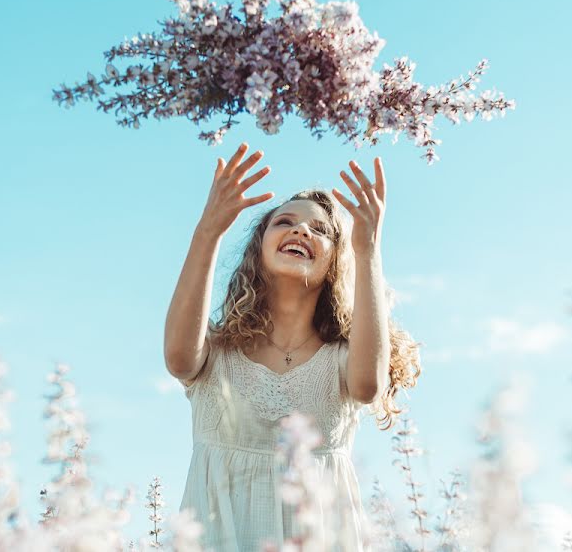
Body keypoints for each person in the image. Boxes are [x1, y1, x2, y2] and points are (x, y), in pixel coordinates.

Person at [164, 143, 422, 551]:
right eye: (285, 222)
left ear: (335, 263)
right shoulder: (216, 354)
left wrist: (367, 247)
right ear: (259, 248)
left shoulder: (340, 361)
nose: (302, 230)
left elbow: (369, 386)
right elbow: (177, 358)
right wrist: (209, 230)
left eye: (321, 230)